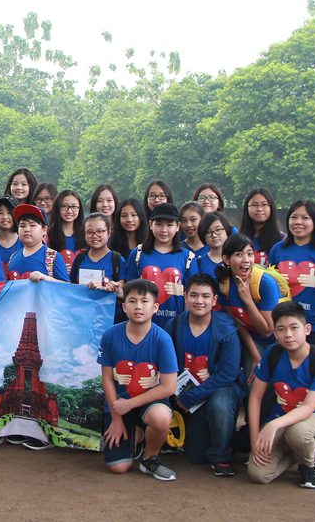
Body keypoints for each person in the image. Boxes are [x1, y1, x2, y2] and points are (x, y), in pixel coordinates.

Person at [248, 301, 315, 489]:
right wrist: (255, 439)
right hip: (282, 417)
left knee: (299, 432)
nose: (288, 334)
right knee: (258, 474)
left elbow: (307, 408)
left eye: (294, 328)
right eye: (281, 329)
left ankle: (309, 463)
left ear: (307, 329)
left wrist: (273, 424)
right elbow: (255, 398)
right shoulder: (272, 354)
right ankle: (296, 452)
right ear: (275, 333)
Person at [99, 278, 178, 481]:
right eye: (132, 301)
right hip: (118, 404)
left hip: (148, 402)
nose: (138, 307)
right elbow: (107, 379)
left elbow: (169, 387)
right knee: (118, 467)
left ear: (155, 307)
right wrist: (117, 418)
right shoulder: (110, 335)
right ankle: (134, 432)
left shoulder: (162, 339)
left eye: (144, 301)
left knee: (161, 418)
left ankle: (150, 458)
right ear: (124, 307)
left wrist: (130, 404)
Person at [165, 274, 244, 476]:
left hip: (219, 388)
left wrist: (191, 396)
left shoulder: (227, 330)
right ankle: (229, 442)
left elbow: (227, 374)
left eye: (205, 296)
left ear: (214, 300)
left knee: (219, 405)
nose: (199, 301)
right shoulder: (173, 326)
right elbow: (166, 366)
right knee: (197, 455)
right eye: (194, 295)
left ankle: (222, 457)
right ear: (185, 296)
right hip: (187, 392)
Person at [268, 200, 315, 348]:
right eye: (294, 217)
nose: (298, 222)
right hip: (284, 327)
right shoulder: (277, 249)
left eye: (305, 218)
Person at [123, 203, 197, 329]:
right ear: (151, 225)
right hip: (141, 325)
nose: (164, 230)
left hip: (176, 326)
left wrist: (180, 290)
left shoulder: (188, 257)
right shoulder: (138, 254)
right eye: (159, 224)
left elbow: (194, 293)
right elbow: (128, 289)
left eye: (169, 225)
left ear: (178, 226)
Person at [216, 234, 282, 368]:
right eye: (239, 255)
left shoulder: (265, 283)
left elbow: (267, 331)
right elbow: (236, 323)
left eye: (250, 254)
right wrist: (255, 356)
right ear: (226, 259)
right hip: (249, 340)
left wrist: (248, 301)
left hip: (276, 342)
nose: (246, 260)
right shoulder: (224, 284)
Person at [6, 204, 70, 282]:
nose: (27, 229)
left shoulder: (52, 257)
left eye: (32, 225)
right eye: (22, 226)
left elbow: (66, 286)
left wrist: (45, 278)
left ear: (44, 230)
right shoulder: (13, 256)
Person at [70, 213, 123, 296]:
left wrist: (111, 289)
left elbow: (122, 293)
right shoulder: (79, 259)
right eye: (89, 232)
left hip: (108, 308)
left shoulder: (117, 260)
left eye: (99, 231)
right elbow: (71, 287)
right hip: (81, 307)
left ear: (108, 233)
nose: (94, 236)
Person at [239, 188, 282, 266]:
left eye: (264, 204)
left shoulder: (282, 239)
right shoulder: (238, 238)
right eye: (254, 205)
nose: (259, 209)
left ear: (271, 208)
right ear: (247, 208)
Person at [48, 189, 85, 269]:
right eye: (64, 206)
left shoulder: (86, 235)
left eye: (74, 207)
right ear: (57, 208)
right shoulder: (48, 236)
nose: (69, 211)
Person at [194, 212, 231, 281]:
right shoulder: (198, 263)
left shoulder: (235, 259)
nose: (214, 235)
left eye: (218, 230)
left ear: (226, 230)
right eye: (208, 232)